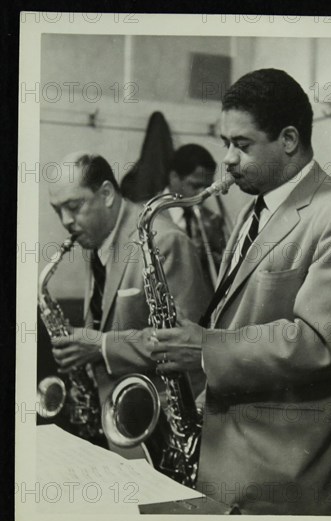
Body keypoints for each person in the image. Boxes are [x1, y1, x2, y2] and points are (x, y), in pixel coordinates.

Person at [143, 69, 331, 514]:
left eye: (241, 144)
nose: (226, 159)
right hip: (222, 461)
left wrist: (208, 350)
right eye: (226, 142)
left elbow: (322, 342)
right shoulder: (256, 208)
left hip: (277, 480)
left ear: (288, 139)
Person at [48, 152, 210, 453]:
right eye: (58, 211)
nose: (66, 221)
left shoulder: (164, 241)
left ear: (107, 194)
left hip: (162, 429)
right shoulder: (96, 238)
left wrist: (100, 346)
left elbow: (185, 343)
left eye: (73, 207)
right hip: (119, 417)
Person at [166, 144, 228, 292]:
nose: (202, 196)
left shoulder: (212, 220)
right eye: (195, 186)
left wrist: (214, 253)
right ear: (174, 177)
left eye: (206, 188)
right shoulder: (150, 216)